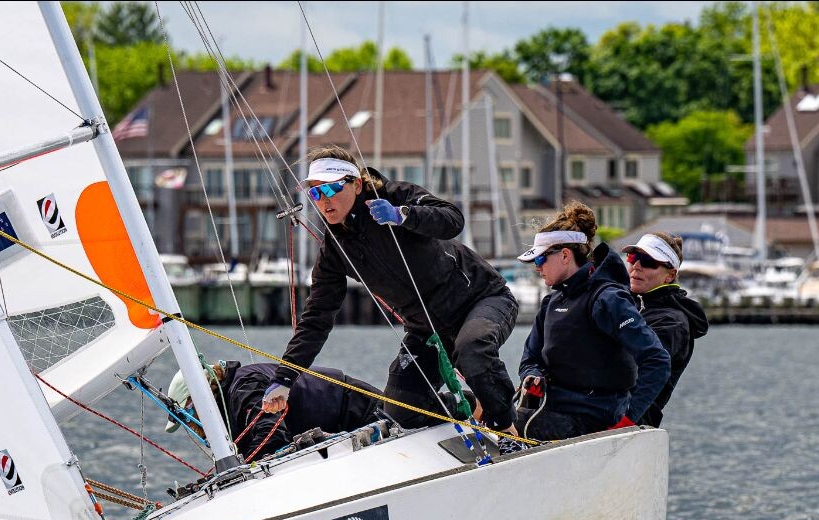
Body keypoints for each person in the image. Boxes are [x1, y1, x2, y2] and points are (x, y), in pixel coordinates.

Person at [262, 145, 519, 437]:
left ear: (356, 184)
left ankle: (509, 432)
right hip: (427, 330)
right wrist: (285, 378)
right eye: (315, 193)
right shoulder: (334, 252)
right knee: (400, 413)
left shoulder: (394, 196)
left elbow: (453, 220)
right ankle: (472, 407)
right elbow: (316, 320)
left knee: (472, 350)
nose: (324, 200)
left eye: (331, 189)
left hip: (482, 299)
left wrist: (403, 215)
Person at [515, 202, 671, 441]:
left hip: (593, 419)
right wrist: (532, 375)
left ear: (565, 255)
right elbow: (529, 358)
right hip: (551, 408)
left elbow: (657, 360)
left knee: (500, 420)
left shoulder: (608, 299)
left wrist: (628, 421)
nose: (538, 268)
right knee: (477, 406)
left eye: (540, 260)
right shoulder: (550, 303)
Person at [164, 360, 383, 459]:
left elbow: (271, 434)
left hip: (362, 412)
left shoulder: (244, 387)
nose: (191, 427)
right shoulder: (231, 406)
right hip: (346, 423)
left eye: (188, 416)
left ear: (201, 398)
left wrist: (241, 476)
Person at [623, 232, 709, 427]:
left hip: (629, 422)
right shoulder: (626, 305)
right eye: (633, 257)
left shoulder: (672, 323)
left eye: (648, 261)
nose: (636, 266)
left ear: (670, 275)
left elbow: (636, 372)